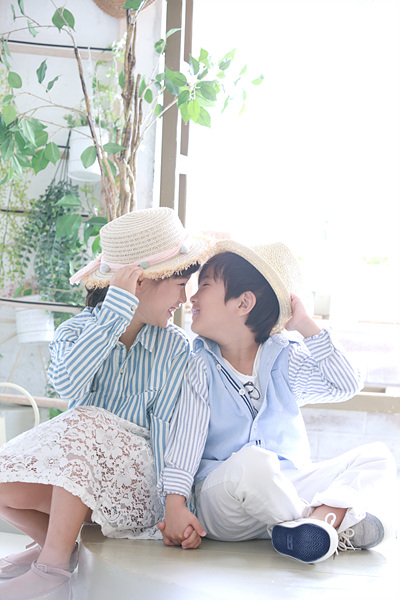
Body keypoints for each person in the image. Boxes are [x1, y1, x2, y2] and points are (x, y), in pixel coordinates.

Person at [0, 207, 210, 600]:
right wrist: (115, 313)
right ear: (139, 282)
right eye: (180, 285)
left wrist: (172, 506)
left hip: (135, 487)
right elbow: (67, 384)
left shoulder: (175, 348)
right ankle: (54, 545)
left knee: (85, 420)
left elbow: (167, 431)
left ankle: (52, 567)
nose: (184, 299)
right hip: (77, 478)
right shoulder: (76, 332)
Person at [158, 240, 397, 563]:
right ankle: (325, 522)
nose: (192, 297)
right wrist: (175, 505)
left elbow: (346, 384)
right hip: (226, 500)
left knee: (377, 457)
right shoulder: (201, 366)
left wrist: (306, 326)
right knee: (254, 462)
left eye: (205, 286)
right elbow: (186, 440)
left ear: (244, 302)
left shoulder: (285, 358)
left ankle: (304, 531)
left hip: (287, 484)